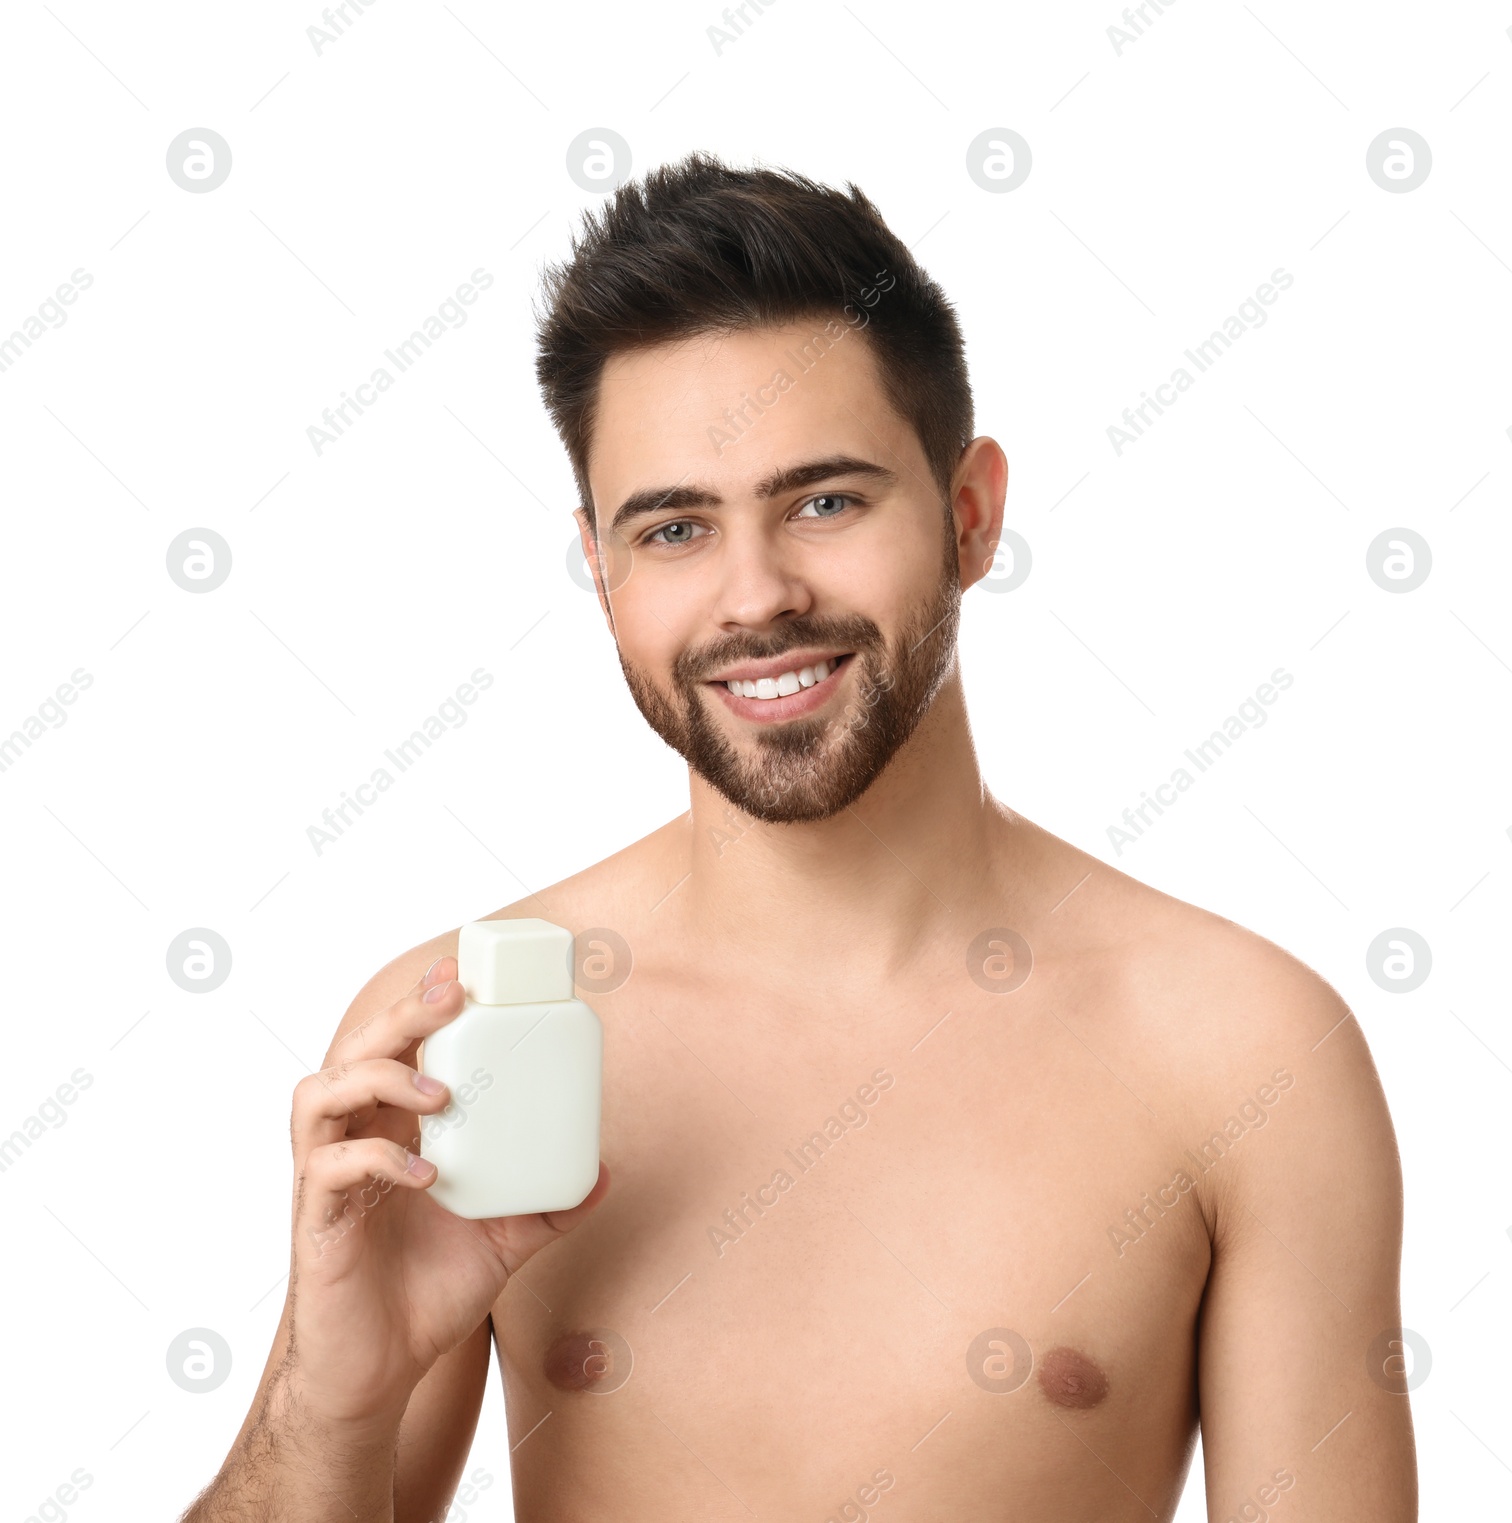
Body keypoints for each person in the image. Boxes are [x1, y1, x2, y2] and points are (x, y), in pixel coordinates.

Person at [184, 151, 1418, 1521]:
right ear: (600, 565)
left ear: (969, 514)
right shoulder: (467, 1037)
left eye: (825, 502)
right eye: (674, 529)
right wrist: (331, 1399)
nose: (756, 596)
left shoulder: (1241, 1052)